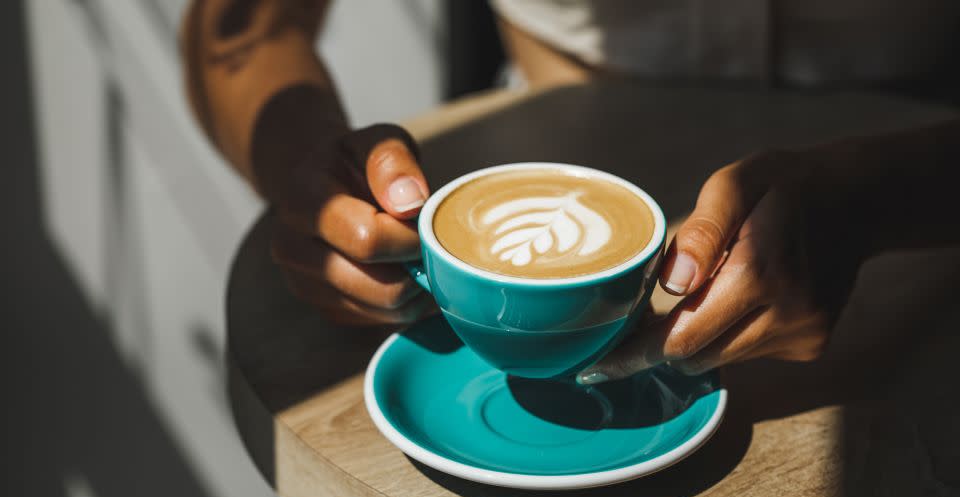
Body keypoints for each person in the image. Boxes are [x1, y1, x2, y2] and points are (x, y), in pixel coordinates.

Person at [180, 1, 960, 384]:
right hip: (532, 185)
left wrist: (878, 194)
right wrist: (314, 181)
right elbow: (243, 28)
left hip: (921, 275)